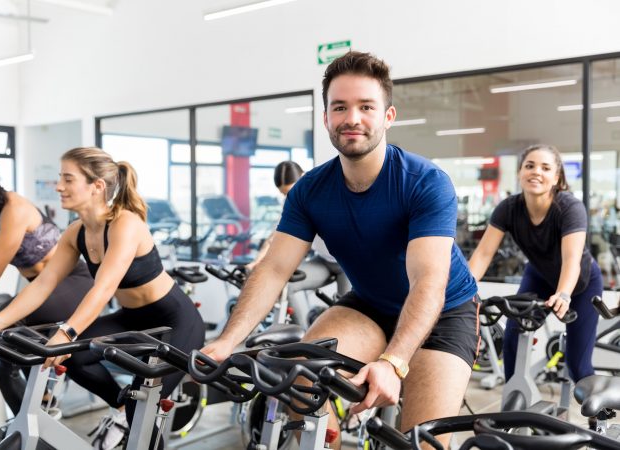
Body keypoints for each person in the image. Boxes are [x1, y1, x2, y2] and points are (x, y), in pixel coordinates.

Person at [202, 51, 479, 449]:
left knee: (420, 441)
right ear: (326, 118)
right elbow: (275, 269)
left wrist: (392, 362)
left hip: (444, 313)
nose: (353, 118)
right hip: (371, 305)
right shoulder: (309, 191)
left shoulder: (425, 182)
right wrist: (228, 341)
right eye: (340, 107)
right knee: (304, 382)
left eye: (366, 106)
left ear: (388, 116)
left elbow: (428, 281)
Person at [0, 147, 205, 450]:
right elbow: (42, 286)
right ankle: (120, 407)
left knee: (139, 405)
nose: (59, 186)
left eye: (68, 178)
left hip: (175, 321)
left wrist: (65, 333)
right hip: (132, 319)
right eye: (59, 178)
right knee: (80, 358)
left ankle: (128, 411)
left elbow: (103, 288)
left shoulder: (125, 224)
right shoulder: (76, 232)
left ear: (97, 186)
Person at [0, 145, 91, 415]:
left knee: (3, 326)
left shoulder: (14, 206)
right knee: (1, 363)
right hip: (38, 290)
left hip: (73, 282)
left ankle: (40, 411)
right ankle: (34, 419)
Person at [469, 144, 602, 383]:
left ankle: (597, 417)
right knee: (512, 337)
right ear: (520, 172)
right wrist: (462, 291)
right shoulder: (508, 209)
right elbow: (483, 254)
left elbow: (572, 259)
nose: (536, 172)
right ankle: (511, 406)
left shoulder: (569, 208)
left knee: (577, 365)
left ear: (556, 177)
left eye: (545, 167)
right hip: (539, 276)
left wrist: (563, 294)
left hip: (581, 283)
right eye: (529, 166)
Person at [247, 160, 350, 326]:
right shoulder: (293, 202)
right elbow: (276, 235)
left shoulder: (326, 192)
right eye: (284, 194)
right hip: (323, 261)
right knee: (286, 284)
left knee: (347, 313)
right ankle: (304, 337)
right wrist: (257, 261)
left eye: (290, 191)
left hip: (348, 264)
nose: (289, 197)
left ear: (303, 176)